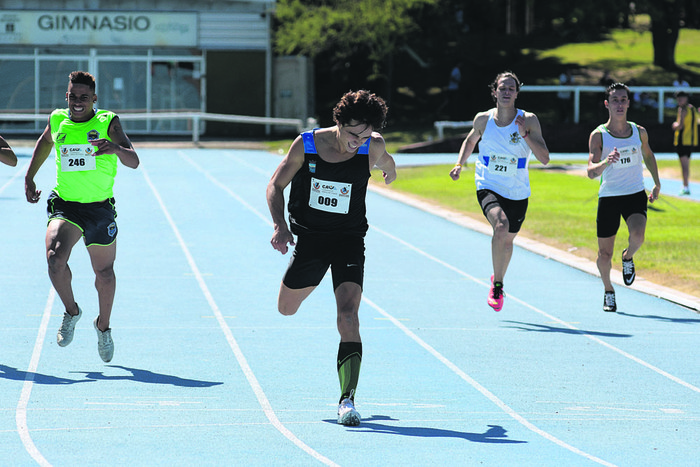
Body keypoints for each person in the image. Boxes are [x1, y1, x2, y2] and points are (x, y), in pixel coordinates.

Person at [266, 90, 396, 427]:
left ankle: (347, 399)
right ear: (338, 123)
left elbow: (387, 162)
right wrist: (280, 226)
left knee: (348, 315)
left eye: (365, 135)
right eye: (353, 134)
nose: (358, 142)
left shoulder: (373, 145)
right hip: (310, 240)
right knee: (285, 308)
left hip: (349, 239)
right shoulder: (307, 145)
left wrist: (389, 172)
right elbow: (275, 185)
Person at [24, 71, 140, 362]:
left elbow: (134, 161)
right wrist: (29, 177)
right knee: (54, 259)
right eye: (73, 96)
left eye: (84, 97)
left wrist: (113, 147)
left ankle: (103, 327)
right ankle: (72, 311)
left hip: (99, 208)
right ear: (67, 96)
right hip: (66, 205)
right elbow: (46, 142)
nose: (78, 102)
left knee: (104, 274)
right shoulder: (57, 119)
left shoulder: (107, 122)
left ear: (94, 99)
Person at [449, 71, 550, 312]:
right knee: (500, 226)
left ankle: (497, 277)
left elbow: (545, 158)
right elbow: (470, 140)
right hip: (488, 184)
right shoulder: (483, 120)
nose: (506, 92)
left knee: (507, 242)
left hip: (517, 190)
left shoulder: (529, 119)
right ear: (494, 91)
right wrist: (460, 163)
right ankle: (499, 285)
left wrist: (525, 133)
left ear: (517, 93)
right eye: (502, 88)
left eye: (511, 89)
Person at [587, 82, 661, 313]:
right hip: (609, 196)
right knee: (604, 254)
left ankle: (627, 257)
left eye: (623, 100)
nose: (620, 104)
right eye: (615, 100)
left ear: (629, 103)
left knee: (638, 236)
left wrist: (657, 183)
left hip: (634, 193)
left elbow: (648, 156)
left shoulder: (639, 132)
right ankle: (608, 290)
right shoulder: (599, 136)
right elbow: (590, 172)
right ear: (607, 104)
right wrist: (606, 162)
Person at [671, 90, 697, 195]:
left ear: (686, 98)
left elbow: (680, 125)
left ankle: (685, 186)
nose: (679, 100)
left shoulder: (682, 109)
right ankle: (686, 185)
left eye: (681, 98)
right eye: (678, 98)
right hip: (690, 141)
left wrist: (674, 125)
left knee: (684, 166)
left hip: (682, 140)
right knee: (687, 165)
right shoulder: (692, 108)